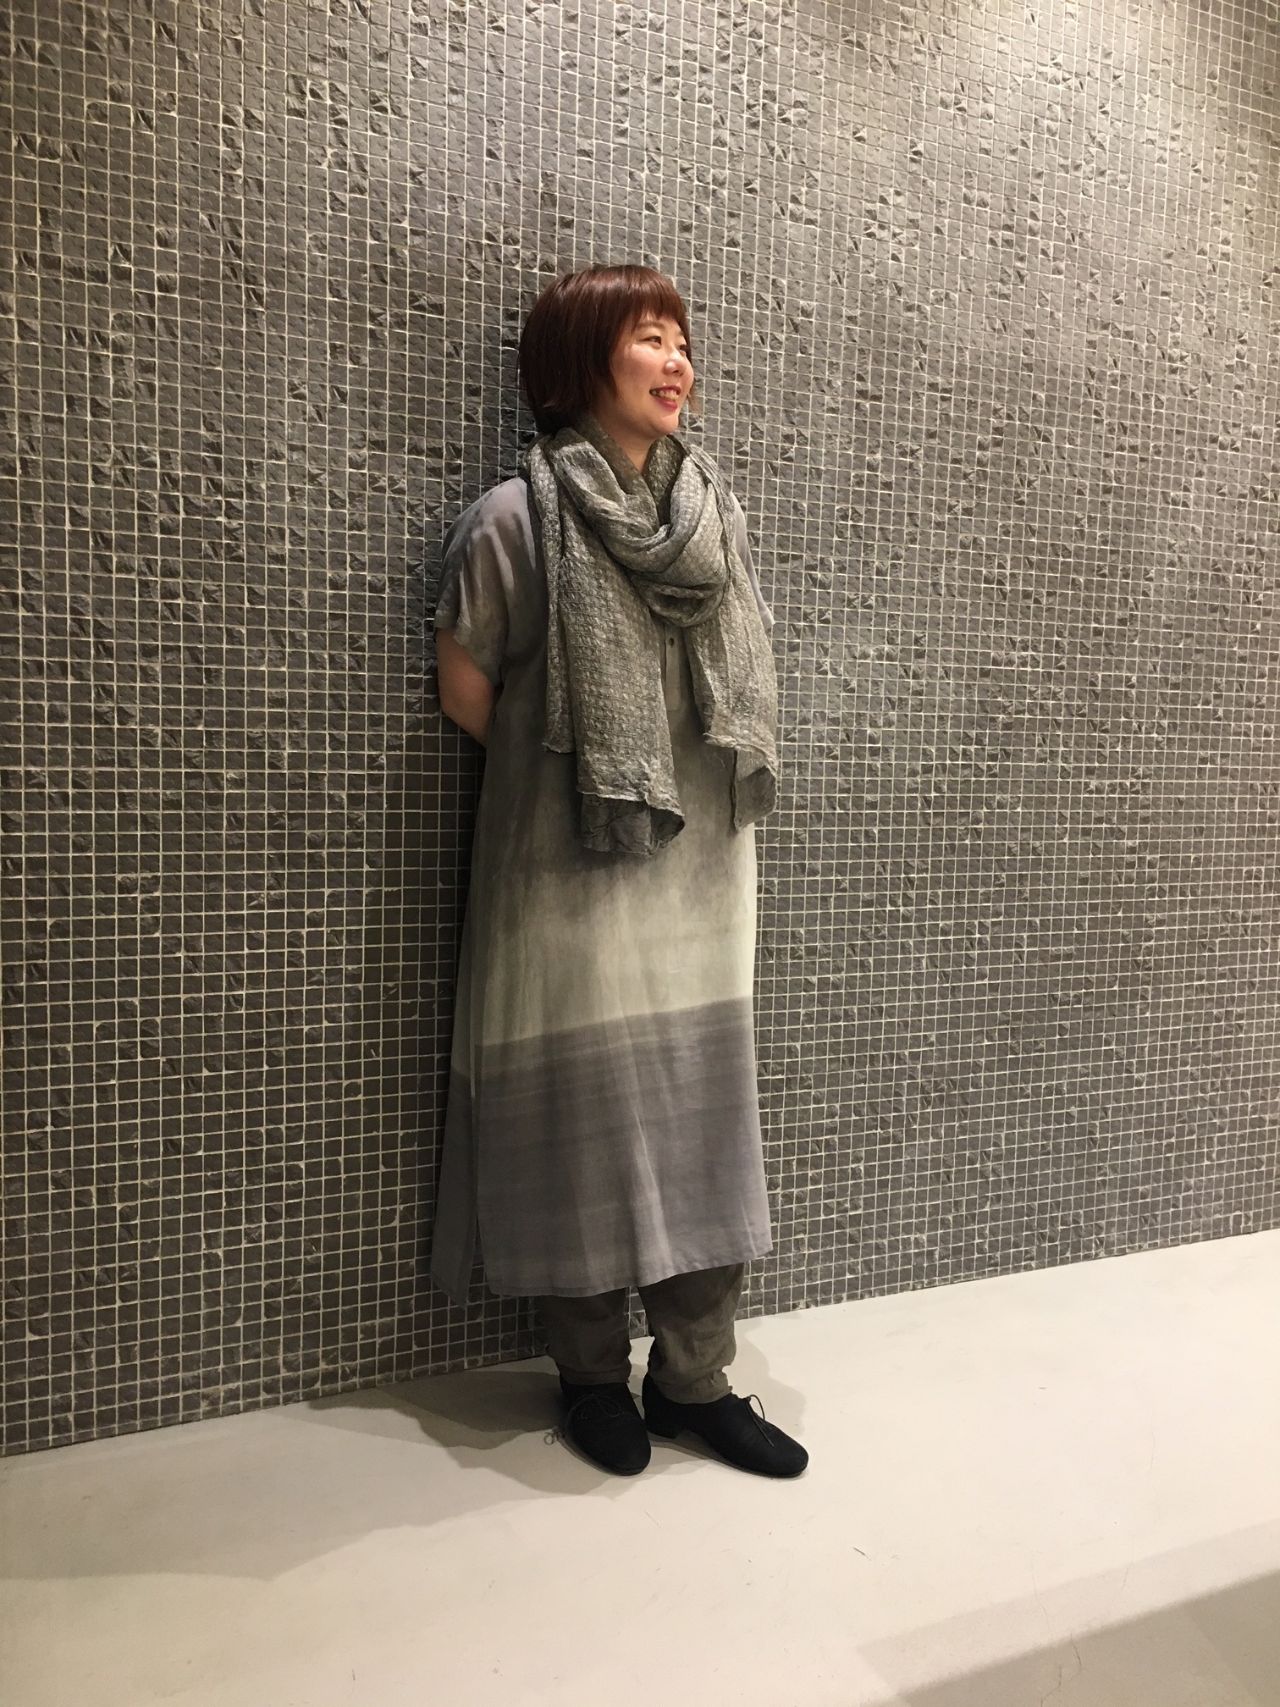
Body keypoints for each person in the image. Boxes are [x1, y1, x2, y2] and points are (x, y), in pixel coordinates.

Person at [431, 262, 807, 1480]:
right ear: (579, 360)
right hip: (569, 882)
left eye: (681, 339)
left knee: (703, 1123)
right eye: (649, 337)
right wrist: (596, 781)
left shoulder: (712, 515)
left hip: (700, 886)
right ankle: (590, 1375)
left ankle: (692, 1380)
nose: (677, 360)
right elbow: (468, 691)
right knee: (579, 1126)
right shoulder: (514, 520)